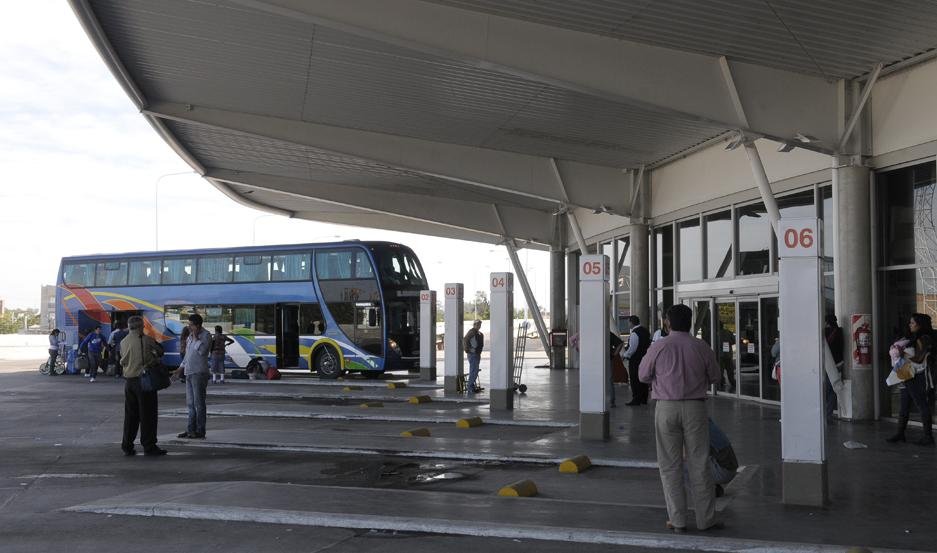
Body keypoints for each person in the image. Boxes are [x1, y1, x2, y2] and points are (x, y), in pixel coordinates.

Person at [639, 304, 722, 533]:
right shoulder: (701, 346)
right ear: (691, 322)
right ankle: (706, 520)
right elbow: (715, 376)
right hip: (695, 408)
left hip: (666, 408)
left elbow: (643, 375)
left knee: (669, 465)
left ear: (667, 322)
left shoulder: (659, 346)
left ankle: (677, 521)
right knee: (700, 463)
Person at [119, 315, 167, 456]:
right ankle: (149, 445)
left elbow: (122, 359)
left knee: (130, 415)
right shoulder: (146, 339)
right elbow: (160, 351)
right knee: (148, 415)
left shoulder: (123, 341)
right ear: (140, 327)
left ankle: (127, 445)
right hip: (144, 382)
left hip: (129, 383)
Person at [886, 313, 934, 446]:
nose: (910, 325)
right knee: (904, 405)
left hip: (917, 375)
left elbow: (919, 358)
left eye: (913, 323)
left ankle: (928, 436)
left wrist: (902, 354)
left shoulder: (924, 338)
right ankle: (900, 433)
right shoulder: (914, 337)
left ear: (920, 325)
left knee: (921, 404)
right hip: (908, 374)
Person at [173, 314, 212, 439]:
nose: (189, 327)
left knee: (199, 403)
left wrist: (196, 338)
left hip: (199, 372)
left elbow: (203, 351)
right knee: (190, 403)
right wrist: (180, 368)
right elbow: (188, 355)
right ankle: (191, 429)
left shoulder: (206, 335)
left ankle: (200, 430)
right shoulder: (190, 336)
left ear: (198, 325)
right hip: (189, 372)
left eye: (191, 325)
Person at [622, 315, 651, 406]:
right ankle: (644, 398)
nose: (628, 324)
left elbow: (632, 348)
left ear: (631, 322)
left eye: (628, 322)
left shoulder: (634, 333)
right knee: (643, 378)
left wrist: (625, 355)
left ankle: (636, 399)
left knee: (634, 379)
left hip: (635, 360)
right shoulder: (645, 331)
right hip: (644, 358)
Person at [707, 418, 738, 498]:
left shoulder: (698, 429)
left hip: (722, 472)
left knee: (679, 464)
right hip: (729, 469)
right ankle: (712, 487)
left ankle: (706, 489)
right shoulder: (707, 423)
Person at [824, 314, 844, 420]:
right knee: (833, 388)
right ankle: (828, 413)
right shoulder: (839, 332)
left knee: (827, 388)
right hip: (839, 363)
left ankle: (826, 413)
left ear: (827, 322)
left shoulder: (825, 333)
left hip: (829, 365)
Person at [463, 320, 484, 393]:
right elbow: (465, 340)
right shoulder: (471, 332)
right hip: (472, 354)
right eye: (477, 325)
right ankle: (470, 387)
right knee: (474, 370)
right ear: (474, 325)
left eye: (479, 325)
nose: (479, 326)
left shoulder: (479, 333)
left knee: (475, 370)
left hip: (477, 354)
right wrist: (468, 350)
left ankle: (471, 386)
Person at [609, 331, 624, 407]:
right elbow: (620, 343)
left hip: (606, 359)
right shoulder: (607, 333)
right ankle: (611, 401)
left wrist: (614, 354)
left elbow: (620, 343)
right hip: (608, 358)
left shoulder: (606, 333)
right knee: (609, 379)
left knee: (609, 379)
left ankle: (611, 400)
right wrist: (614, 354)